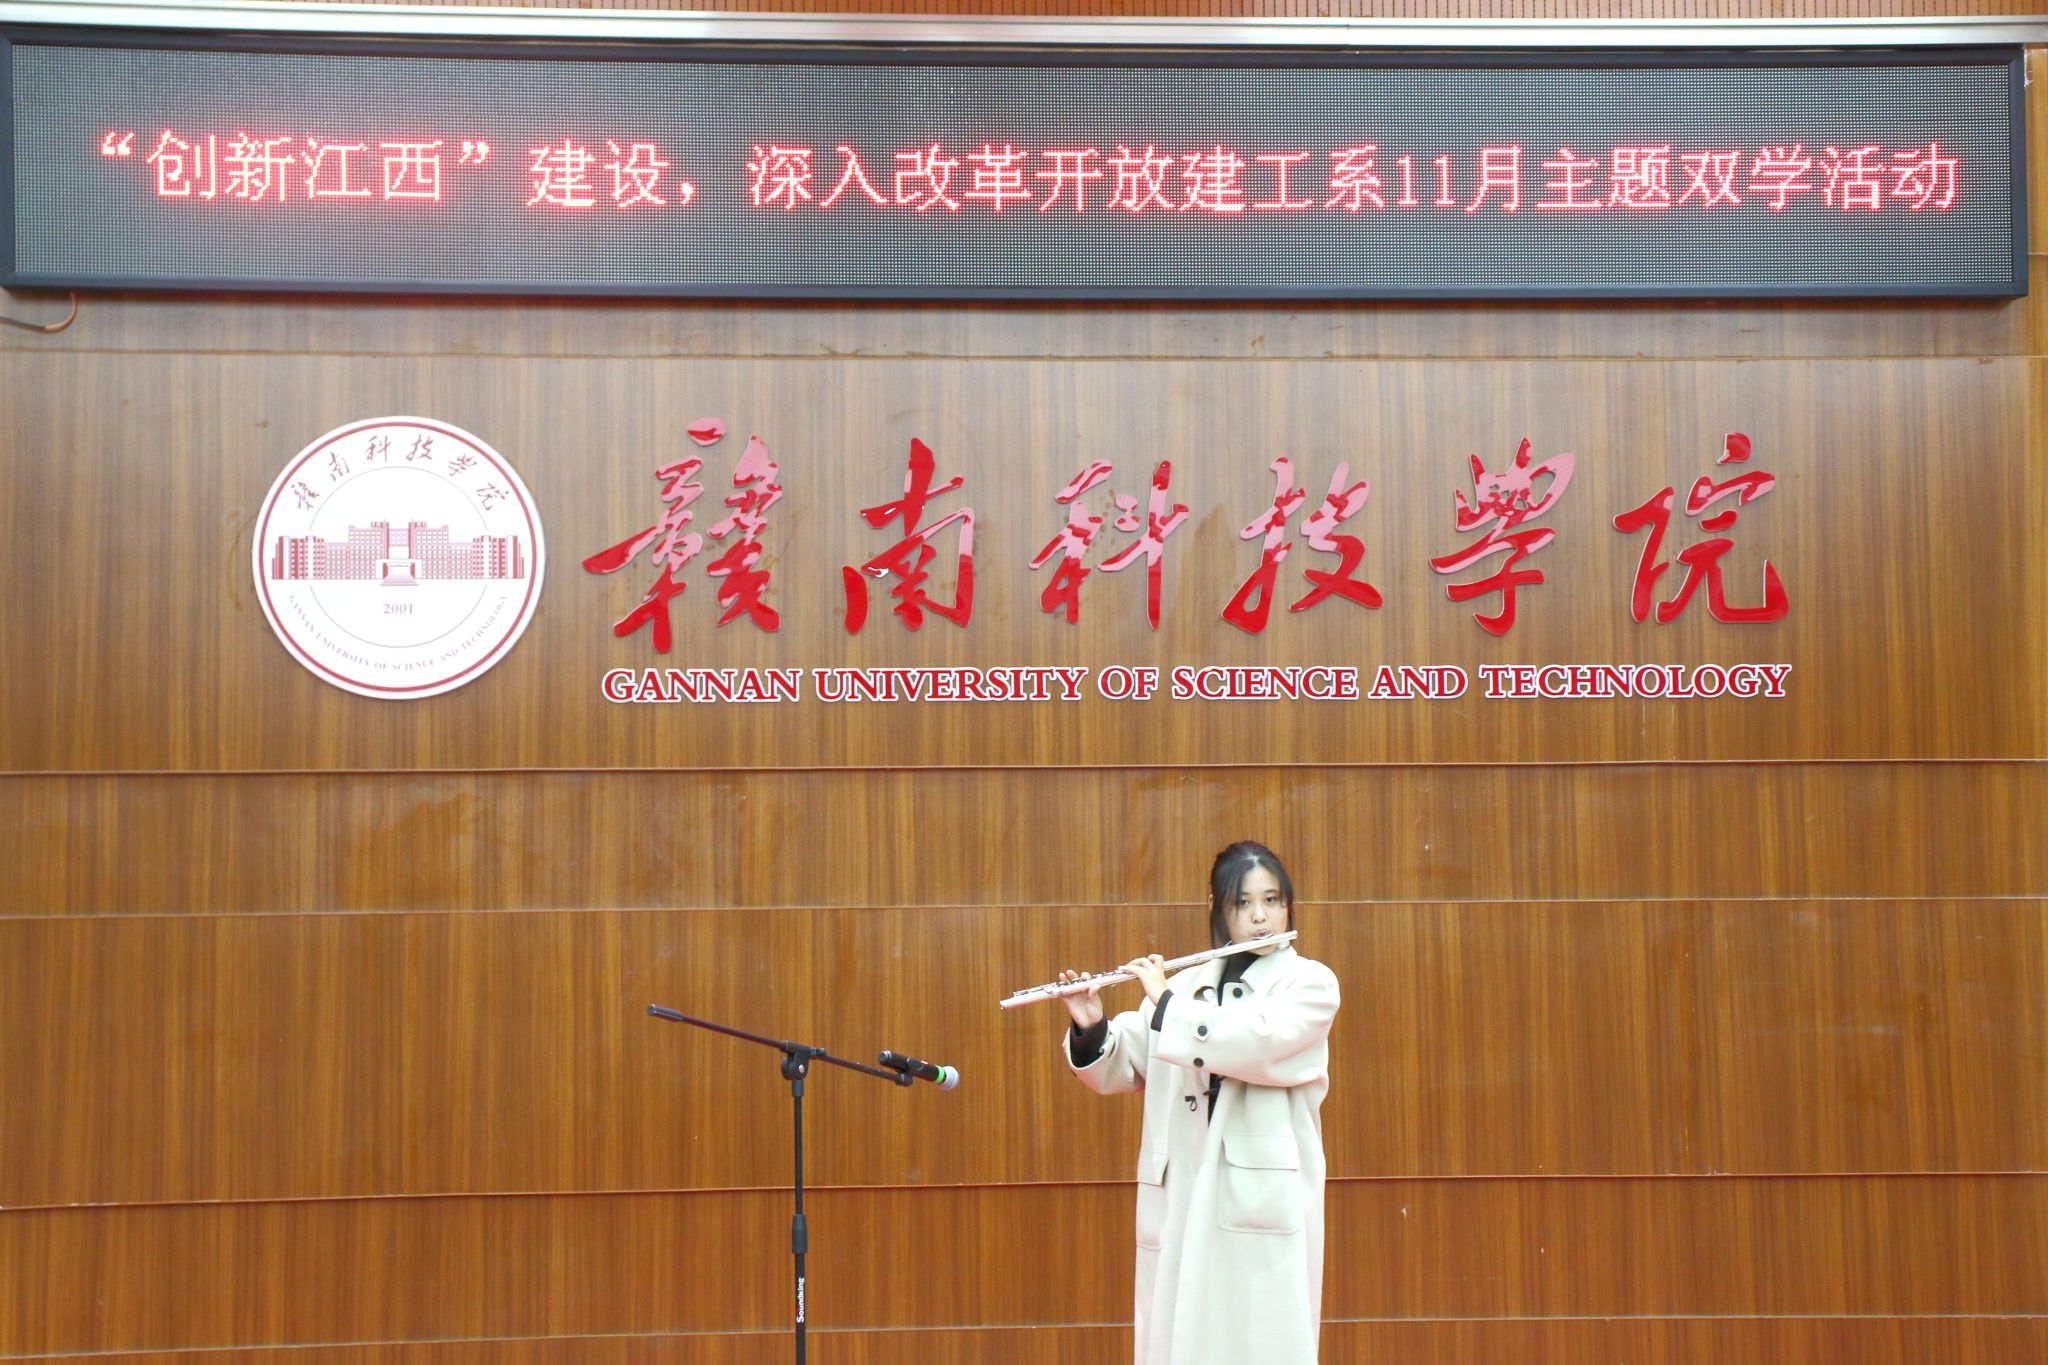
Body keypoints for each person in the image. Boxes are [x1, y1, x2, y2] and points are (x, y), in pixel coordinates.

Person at [1059, 840, 1339, 1365]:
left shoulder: (1310, 984)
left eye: (1272, 901)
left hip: (1256, 1198)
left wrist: (1167, 1003)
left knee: (1257, 1343)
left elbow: (1256, 1042)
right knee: (1182, 1343)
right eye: (1242, 903)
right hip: (1181, 1196)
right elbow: (1121, 1066)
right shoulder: (1185, 986)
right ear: (1217, 907)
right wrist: (1091, 1023)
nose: (1260, 917)